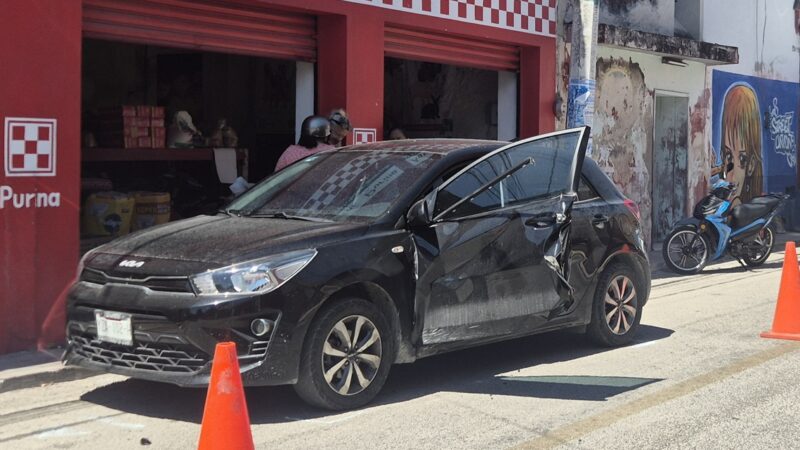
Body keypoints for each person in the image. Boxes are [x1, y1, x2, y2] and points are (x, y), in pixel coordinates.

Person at [717, 84, 764, 205]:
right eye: (728, 156)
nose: (732, 174)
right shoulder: (720, 200)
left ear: (751, 165)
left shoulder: (757, 206)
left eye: (742, 159)